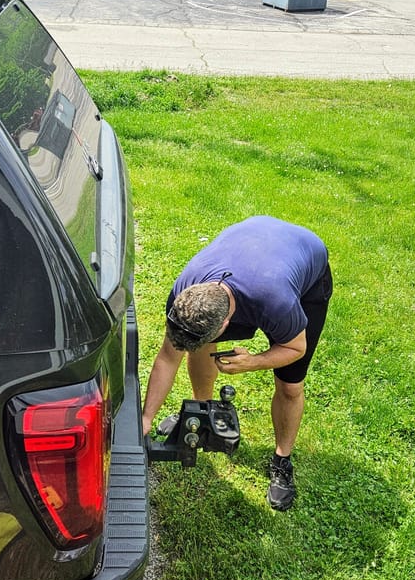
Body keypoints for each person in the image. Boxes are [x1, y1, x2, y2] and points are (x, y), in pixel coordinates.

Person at [141, 216, 333, 511]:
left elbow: (296, 348)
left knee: (290, 385)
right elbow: (168, 359)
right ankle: (202, 412)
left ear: (226, 326)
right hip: (255, 242)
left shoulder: (277, 303)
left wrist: (253, 362)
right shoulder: (186, 292)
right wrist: (146, 418)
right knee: (198, 347)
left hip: (304, 263)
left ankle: (282, 460)